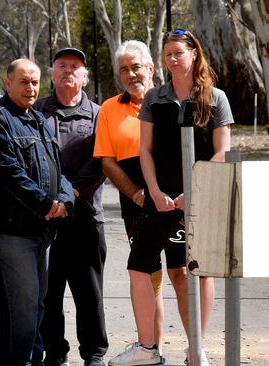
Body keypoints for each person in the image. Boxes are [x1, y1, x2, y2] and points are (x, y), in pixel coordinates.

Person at [108, 29, 232, 366]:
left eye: (178, 52)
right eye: (168, 54)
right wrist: (156, 192)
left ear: (194, 54)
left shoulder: (215, 98)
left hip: (199, 201)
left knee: (198, 272)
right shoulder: (154, 99)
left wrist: (193, 193)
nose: (172, 59)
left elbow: (223, 151)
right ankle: (147, 348)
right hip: (159, 201)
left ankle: (197, 349)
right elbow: (145, 151)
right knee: (137, 269)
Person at [0, 59, 74, 366]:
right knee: (18, 310)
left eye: (35, 82)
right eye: (24, 81)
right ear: (7, 83)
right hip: (12, 232)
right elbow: (9, 173)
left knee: (36, 306)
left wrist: (63, 200)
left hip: (41, 232)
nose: (31, 88)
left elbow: (56, 168)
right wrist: (46, 205)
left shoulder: (37, 119)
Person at [92, 40, 167, 363]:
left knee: (181, 273)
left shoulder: (172, 100)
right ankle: (150, 350)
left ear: (151, 68)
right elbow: (107, 161)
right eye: (124, 69)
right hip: (136, 202)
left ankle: (197, 349)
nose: (131, 74)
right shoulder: (110, 107)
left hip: (176, 198)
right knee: (148, 278)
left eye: (136, 66)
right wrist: (137, 194)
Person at [33, 48, 107, 366]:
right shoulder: (35, 112)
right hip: (46, 218)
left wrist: (70, 195)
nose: (68, 71)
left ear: (85, 76)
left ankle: (94, 353)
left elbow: (102, 162)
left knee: (89, 293)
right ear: (52, 74)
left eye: (75, 66)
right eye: (62, 66)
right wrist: (49, 199)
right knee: (49, 294)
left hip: (86, 218)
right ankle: (55, 351)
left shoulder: (99, 114)